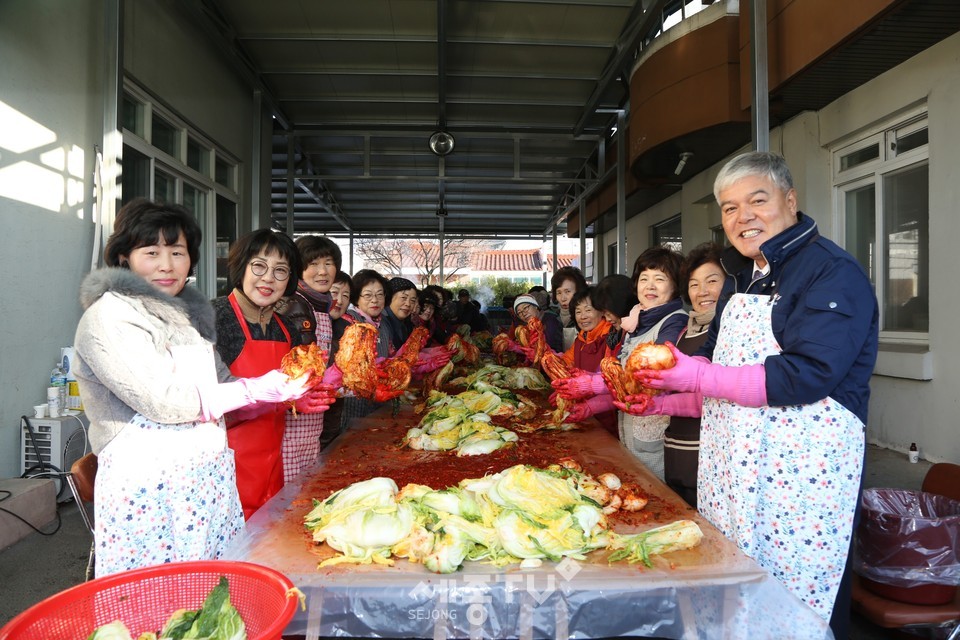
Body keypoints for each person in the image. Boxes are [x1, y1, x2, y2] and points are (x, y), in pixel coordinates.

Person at [628, 151, 879, 629]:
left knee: (797, 604)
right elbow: (719, 380)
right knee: (735, 596)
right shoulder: (744, 278)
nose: (742, 217)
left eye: (756, 200)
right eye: (728, 207)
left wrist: (697, 376)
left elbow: (806, 373)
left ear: (790, 199)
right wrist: (662, 398)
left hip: (801, 483)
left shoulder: (831, 271)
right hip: (734, 475)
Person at [73, 199, 310, 575]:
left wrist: (287, 392)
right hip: (150, 490)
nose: (166, 265)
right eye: (151, 252)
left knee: (216, 592)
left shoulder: (186, 318)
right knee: (157, 605)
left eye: (177, 252)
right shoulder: (109, 316)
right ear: (124, 258)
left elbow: (224, 385)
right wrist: (255, 390)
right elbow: (163, 401)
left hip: (205, 483)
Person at [213, 229, 333, 519]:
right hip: (221, 470)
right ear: (241, 267)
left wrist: (297, 400)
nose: (268, 278)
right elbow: (208, 401)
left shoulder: (286, 327)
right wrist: (279, 400)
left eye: (280, 271)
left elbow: (289, 388)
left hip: (271, 464)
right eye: (259, 266)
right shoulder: (213, 319)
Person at [662, 242, 724, 507]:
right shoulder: (683, 331)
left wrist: (657, 405)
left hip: (709, 457)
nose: (702, 292)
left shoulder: (728, 333)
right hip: (676, 448)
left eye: (712, 281)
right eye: (694, 284)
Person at [276, 235, 342, 482]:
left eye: (328, 263)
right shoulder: (295, 306)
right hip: (293, 417)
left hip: (313, 416)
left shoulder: (319, 305)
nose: (322, 271)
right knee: (292, 487)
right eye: (313, 264)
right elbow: (295, 371)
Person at [320, 270, 352, 450]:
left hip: (334, 416)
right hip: (305, 419)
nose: (339, 300)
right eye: (334, 293)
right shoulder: (311, 324)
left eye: (345, 295)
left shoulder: (348, 329)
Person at [550, 266, 588, 350]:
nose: (563, 298)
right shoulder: (552, 318)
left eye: (567, 292)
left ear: (579, 291)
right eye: (559, 293)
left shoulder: (587, 318)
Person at [383, 277, 418, 350]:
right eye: (403, 298)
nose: (408, 304)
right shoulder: (381, 323)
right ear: (390, 298)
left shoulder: (406, 324)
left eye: (412, 301)